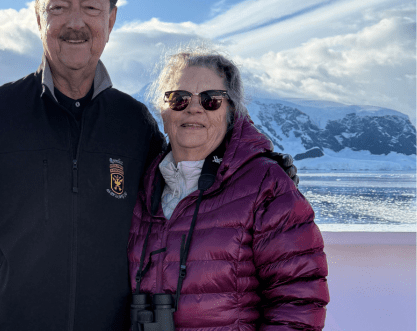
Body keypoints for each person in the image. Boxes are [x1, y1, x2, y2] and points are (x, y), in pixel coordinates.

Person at [0, 0, 298, 331]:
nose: (75, 22)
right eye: (59, 7)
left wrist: (257, 165)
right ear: (39, 19)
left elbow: (189, 170)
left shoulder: (133, 123)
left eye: (91, 7)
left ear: (111, 20)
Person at [128, 46, 329, 330]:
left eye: (211, 100)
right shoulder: (141, 186)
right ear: (163, 110)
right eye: (178, 98)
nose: (194, 107)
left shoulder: (265, 184)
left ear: (230, 111)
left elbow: (299, 300)